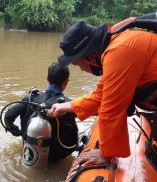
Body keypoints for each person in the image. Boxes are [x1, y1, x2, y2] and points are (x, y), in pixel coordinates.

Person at [48, 17, 157, 166]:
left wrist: (105, 154)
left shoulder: (119, 51)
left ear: (90, 56)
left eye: (79, 64)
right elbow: (100, 94)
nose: (82, 70)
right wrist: (65, 107)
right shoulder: (115, 45)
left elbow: (111, 108)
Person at [4, 62, 78, 161]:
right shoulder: (69, 105)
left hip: (31, 153)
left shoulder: (30, 98)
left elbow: (8, 116)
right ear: (66, 82)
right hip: (59, 156)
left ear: (47, 78)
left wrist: (15, 130)